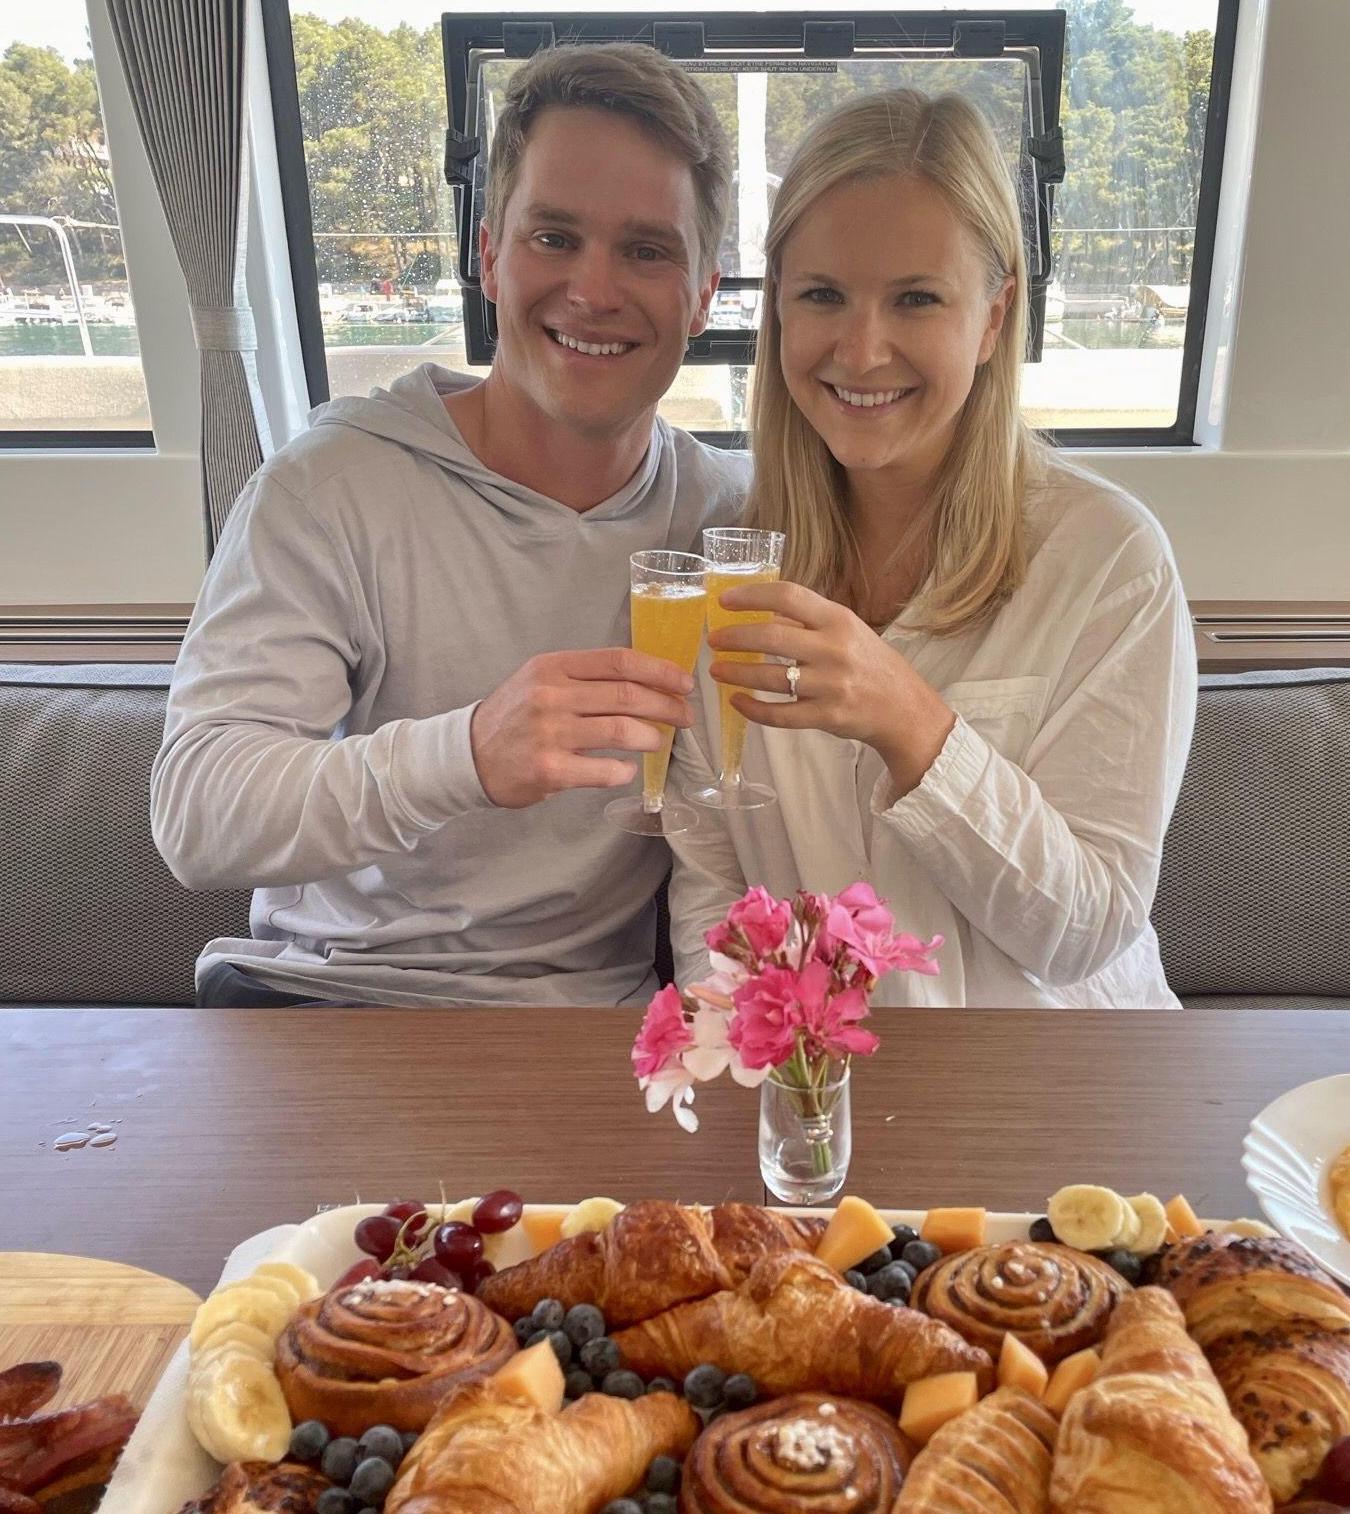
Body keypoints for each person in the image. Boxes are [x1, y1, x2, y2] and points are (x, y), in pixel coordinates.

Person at [152, 43, 749, 1007]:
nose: (594, 290)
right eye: (553, 237)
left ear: (704, 294)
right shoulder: (329, 488)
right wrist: (466, 754)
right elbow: (198, 816)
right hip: (330, 1001)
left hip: (597, 1027)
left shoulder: (727, 519)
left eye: (646, 250)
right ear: (488, 258)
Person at [668, 90, 1198, 1008]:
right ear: (778, 310)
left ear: (992, 317)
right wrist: (749, 1053)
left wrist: (912, 723)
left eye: (915, 299)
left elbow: (1085, 933)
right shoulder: (729, 570)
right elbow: (711, 885)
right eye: (822, 296)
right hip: (820, 1078)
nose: (861, 351)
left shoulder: (1109, 560)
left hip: (1063, 1073)